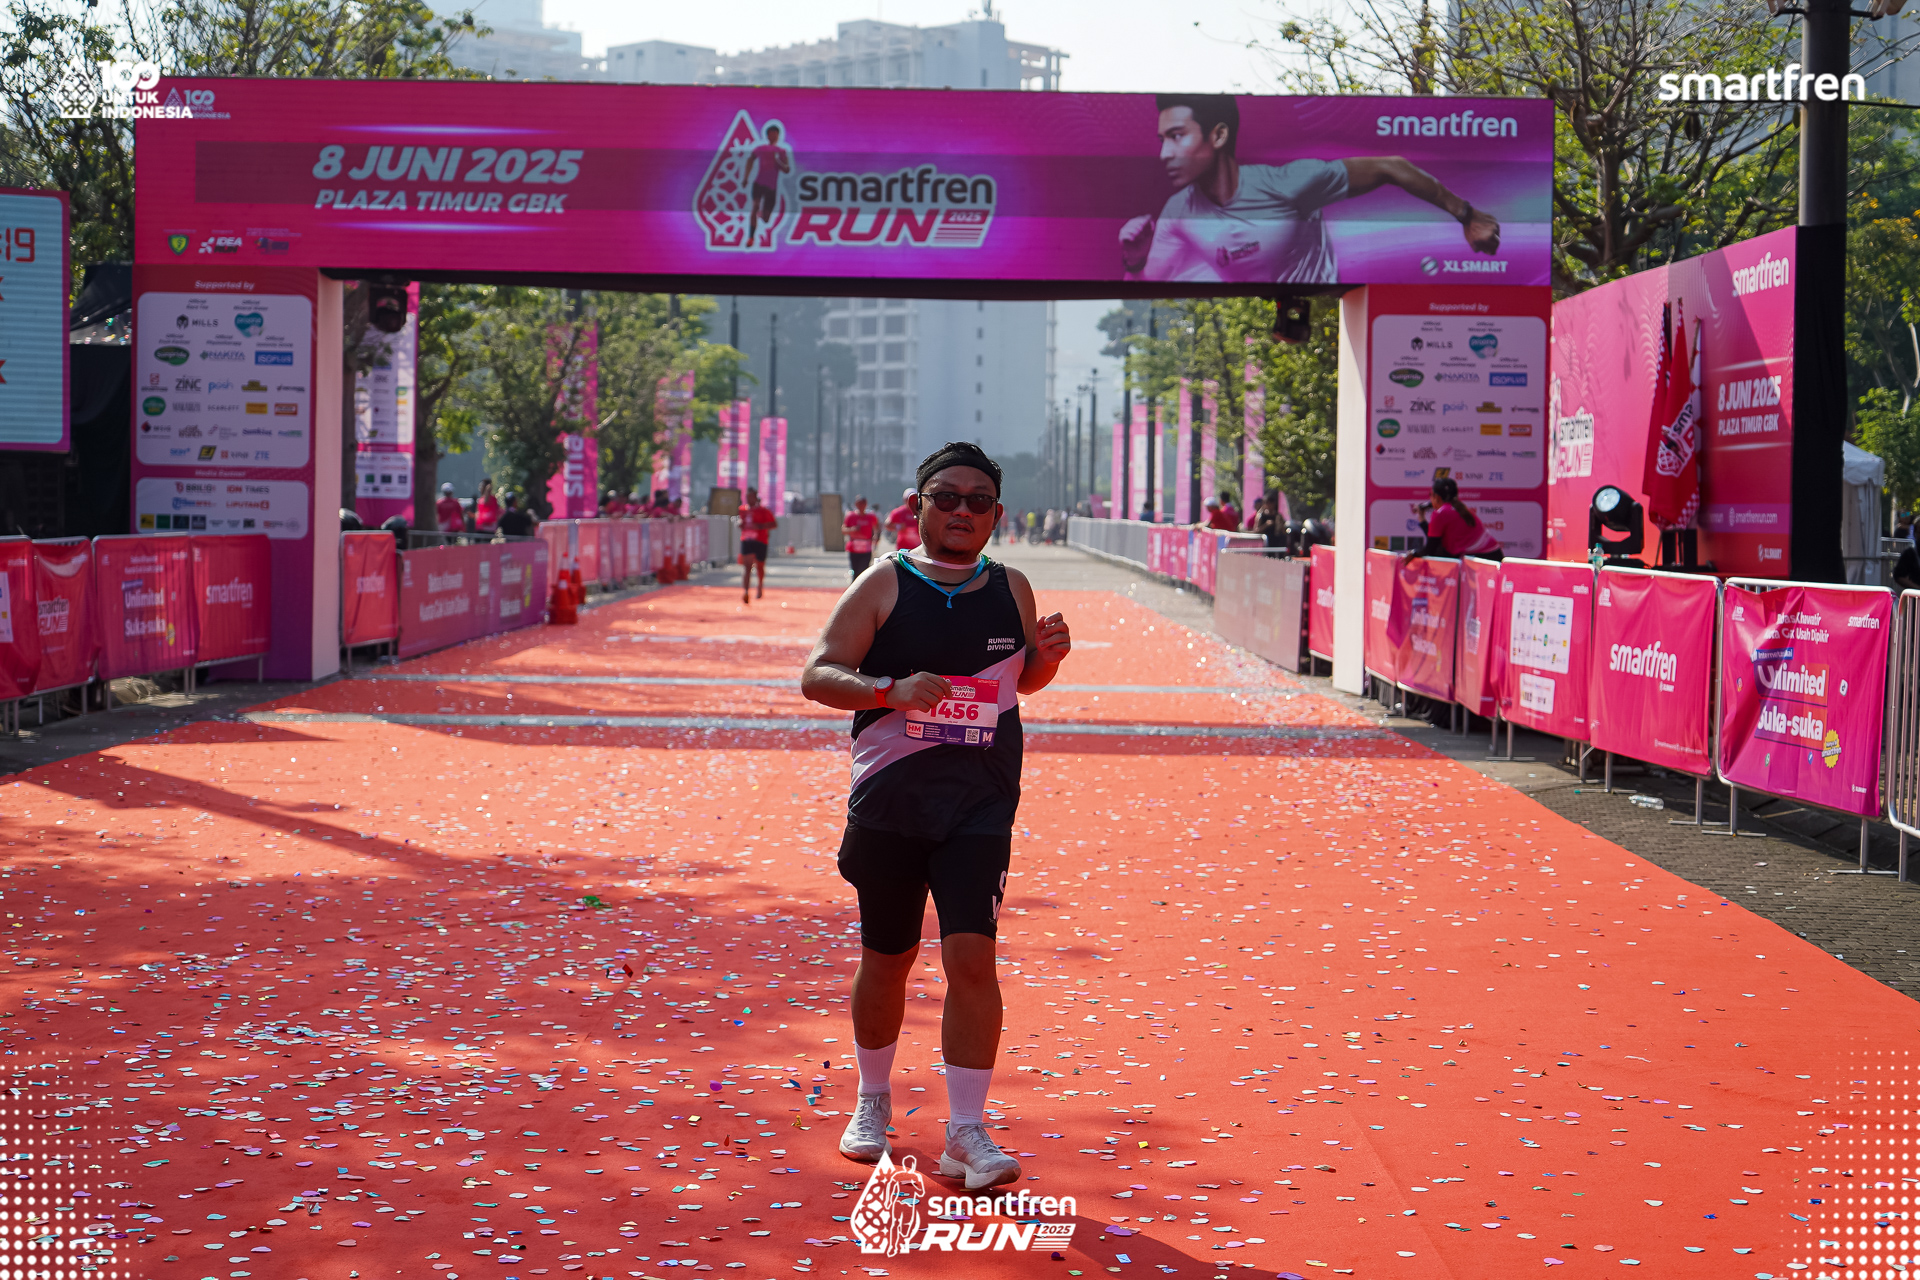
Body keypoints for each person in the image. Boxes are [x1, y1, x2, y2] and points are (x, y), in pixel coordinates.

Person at [799, 441, 1073, 1189]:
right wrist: (889, 690)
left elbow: (1023, 681)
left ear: (996, 514)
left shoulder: (1011, 586)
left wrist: (1047, 658)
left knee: (972, 960)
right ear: (916, 505)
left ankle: (966, 1132)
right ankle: (872, 1101)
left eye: (977, 501)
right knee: (888, 959)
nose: (961, 511)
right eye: (945, 497)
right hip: (891, 800)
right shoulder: (883, 582)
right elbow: (818, 675)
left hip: (980, 801)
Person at [1119, 94, 1503, 284]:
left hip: (1330, 301)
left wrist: (1467, 216)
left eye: (1177, 136)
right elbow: (1149, 283)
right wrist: (1134, 260)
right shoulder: (1177, 211)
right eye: (1162, 140)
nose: (1164, 153)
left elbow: (1392, 166)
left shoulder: (1288, 184)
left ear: (1218, 136)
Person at [1408, 477, 1502, 561]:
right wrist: (1422, 519)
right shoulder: (1459, 508)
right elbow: (1434, 542)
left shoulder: (1441, 513)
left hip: (1481, 559)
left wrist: (1414, 554)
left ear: (1436, 497)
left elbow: (1431, 549)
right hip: (1493, 556)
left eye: (1430, 494)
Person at [747, 122, 793, 247]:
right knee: (755, 206)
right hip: (759, 183)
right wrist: (746, 177)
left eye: (776, 134)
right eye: (772, 134)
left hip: (771, 187)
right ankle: (751, 237)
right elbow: (750, 159)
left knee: (766, 219)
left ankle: (762, 213)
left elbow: (787, 169)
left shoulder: (781, 151)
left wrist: (777, 161)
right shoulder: (761, 149)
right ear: (767, 135)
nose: (774, 136)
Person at [739, 486, 778, 602]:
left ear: (755, 497)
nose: (748, 499)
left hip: (760, 541)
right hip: (747, 540)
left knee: (759, 566)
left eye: (750, 497)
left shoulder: (764, 510)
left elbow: (774, 524)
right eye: (747, 497)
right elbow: (742, 522)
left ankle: (760, 585)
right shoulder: (742, 510)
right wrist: (740, 524)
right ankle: (746, 591)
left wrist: (760, 526)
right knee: (747, 567)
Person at [843, 496, 880, 580]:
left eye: (863, 504)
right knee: (855, 571)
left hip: (866, 548)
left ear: (866, 504)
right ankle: (854, 585)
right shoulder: (850, 516)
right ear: (856, 504)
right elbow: (843, 529)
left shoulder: (871, 516)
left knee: (864, 571)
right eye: (859, 504)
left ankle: (863, 585)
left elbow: (876, 528)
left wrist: (876, 536)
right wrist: (852, 529)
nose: (861, 506)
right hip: (854, 548)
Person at [885, 488, 922, 552]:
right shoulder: (899, 512)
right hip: (903, 548)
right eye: (908, 499)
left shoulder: (921, 512)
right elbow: (887, 525)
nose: (911, 501)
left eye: (914, 499)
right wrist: (898, 526)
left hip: (919, 548)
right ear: (904, 500)